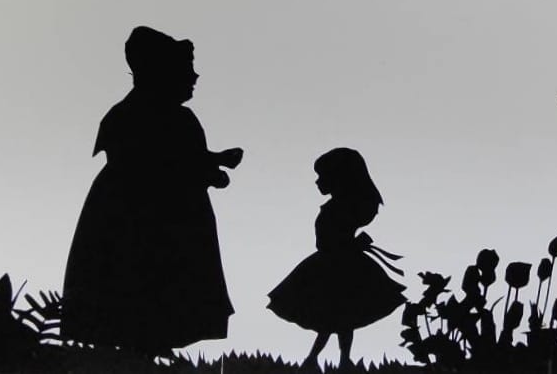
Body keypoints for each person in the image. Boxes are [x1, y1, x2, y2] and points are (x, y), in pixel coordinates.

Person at [61, 26, 243, 355]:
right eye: (186, 70)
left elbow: (184, 159)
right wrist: (212, 169)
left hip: (146, 212)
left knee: (152, 279)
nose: (194, 77)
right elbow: (165, 161)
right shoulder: (160, 118)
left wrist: (214, 163)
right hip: (150, 218)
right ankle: (143, 342)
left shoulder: (133, 115)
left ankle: (149, 344)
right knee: (146, 274)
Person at [267, 147, 405, 370]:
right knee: (338, 317)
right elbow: (326, 241)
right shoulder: (337, 208)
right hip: (334, 265)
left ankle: (323, 359)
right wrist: (353, 244)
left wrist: (350, 245)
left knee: (337, 317)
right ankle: (327, 359)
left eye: (322, 176)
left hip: (336, 267)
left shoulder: (338, 209)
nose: (317, 182)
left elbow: (327, 241)